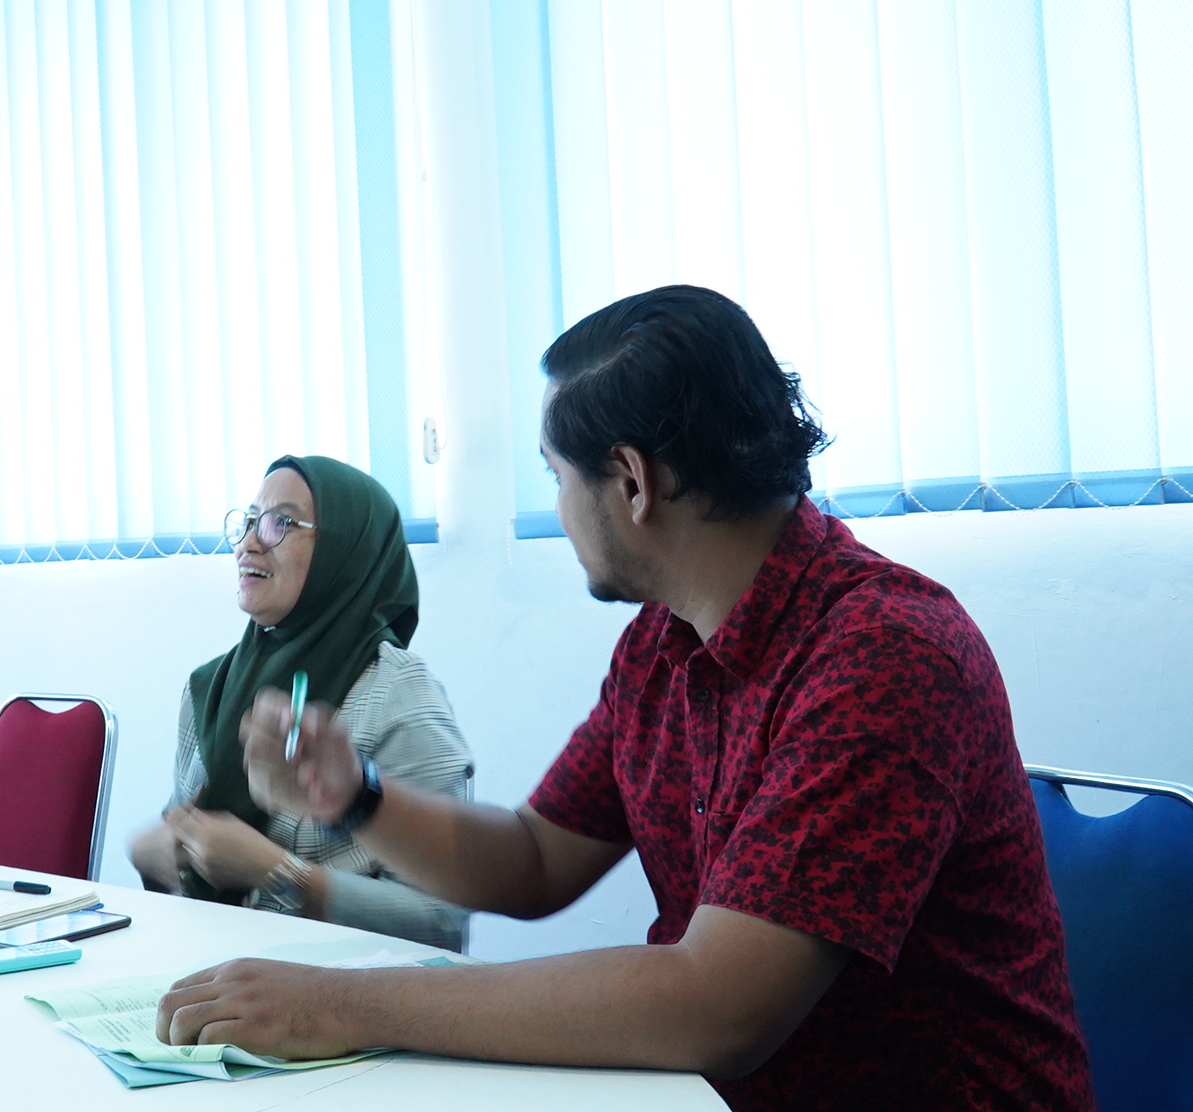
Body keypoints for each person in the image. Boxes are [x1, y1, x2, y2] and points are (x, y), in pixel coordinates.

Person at [153, 287, 1091, 1111]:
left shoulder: (882, 659)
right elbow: (531, 861)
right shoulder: (662, 644)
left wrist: (338, 1005)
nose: (557, 510)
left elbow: (717, 1008)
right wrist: (354, 796)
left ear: (633, 482)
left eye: (559, 478)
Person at [129, 455, 472, 952]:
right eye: (248, 522)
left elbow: (441, 921)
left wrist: (278, 874)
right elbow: (185, 857)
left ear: (345, 549)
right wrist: (156, 854)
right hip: (221, 974)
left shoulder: (398, 695)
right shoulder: (209, 688)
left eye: (279, 524)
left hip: (352, 998)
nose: (249, 542)